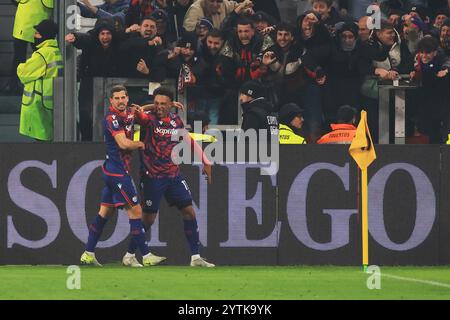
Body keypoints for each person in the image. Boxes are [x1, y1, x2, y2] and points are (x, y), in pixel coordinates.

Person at [125, 87, 215, 267]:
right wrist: (153, 106)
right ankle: (129, 255)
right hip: (152, 176)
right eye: (156, 103)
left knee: (189, 211)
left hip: (173, 174)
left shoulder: (176, 121)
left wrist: (205, 161)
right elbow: (136, 113)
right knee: (149, 219)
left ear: (171, 105)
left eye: (163, 104)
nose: (159, 107)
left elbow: (187, 139)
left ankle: (196, 257)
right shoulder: (148, 120)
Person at [80, 85, 162, 267]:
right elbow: (123, 144)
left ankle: (88, 253)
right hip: (117, 172)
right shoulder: (111, 119)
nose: (120, 101)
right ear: (111, 101)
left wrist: (160, 106)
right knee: (137, 211)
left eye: (123, 97)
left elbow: (139, 110)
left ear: (127, 98)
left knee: (104, 213)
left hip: (113, 171)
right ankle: (145, 255)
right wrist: (141, 144)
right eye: (116, 98)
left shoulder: (129, 113)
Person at [17, 19, 62, 141]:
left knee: (42, 144)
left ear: (44, 35)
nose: (34, 35)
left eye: (37, 33)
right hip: (49, 102)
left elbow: (22, 72)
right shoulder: (55, 51)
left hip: (39, 104)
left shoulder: (43, 53)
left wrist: (21, 66)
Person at [3, 0, 53, 95]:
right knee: (41, 57)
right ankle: (19, 85)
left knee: (20, 56)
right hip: (39, 19)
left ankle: (14, 85)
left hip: (26, 20)